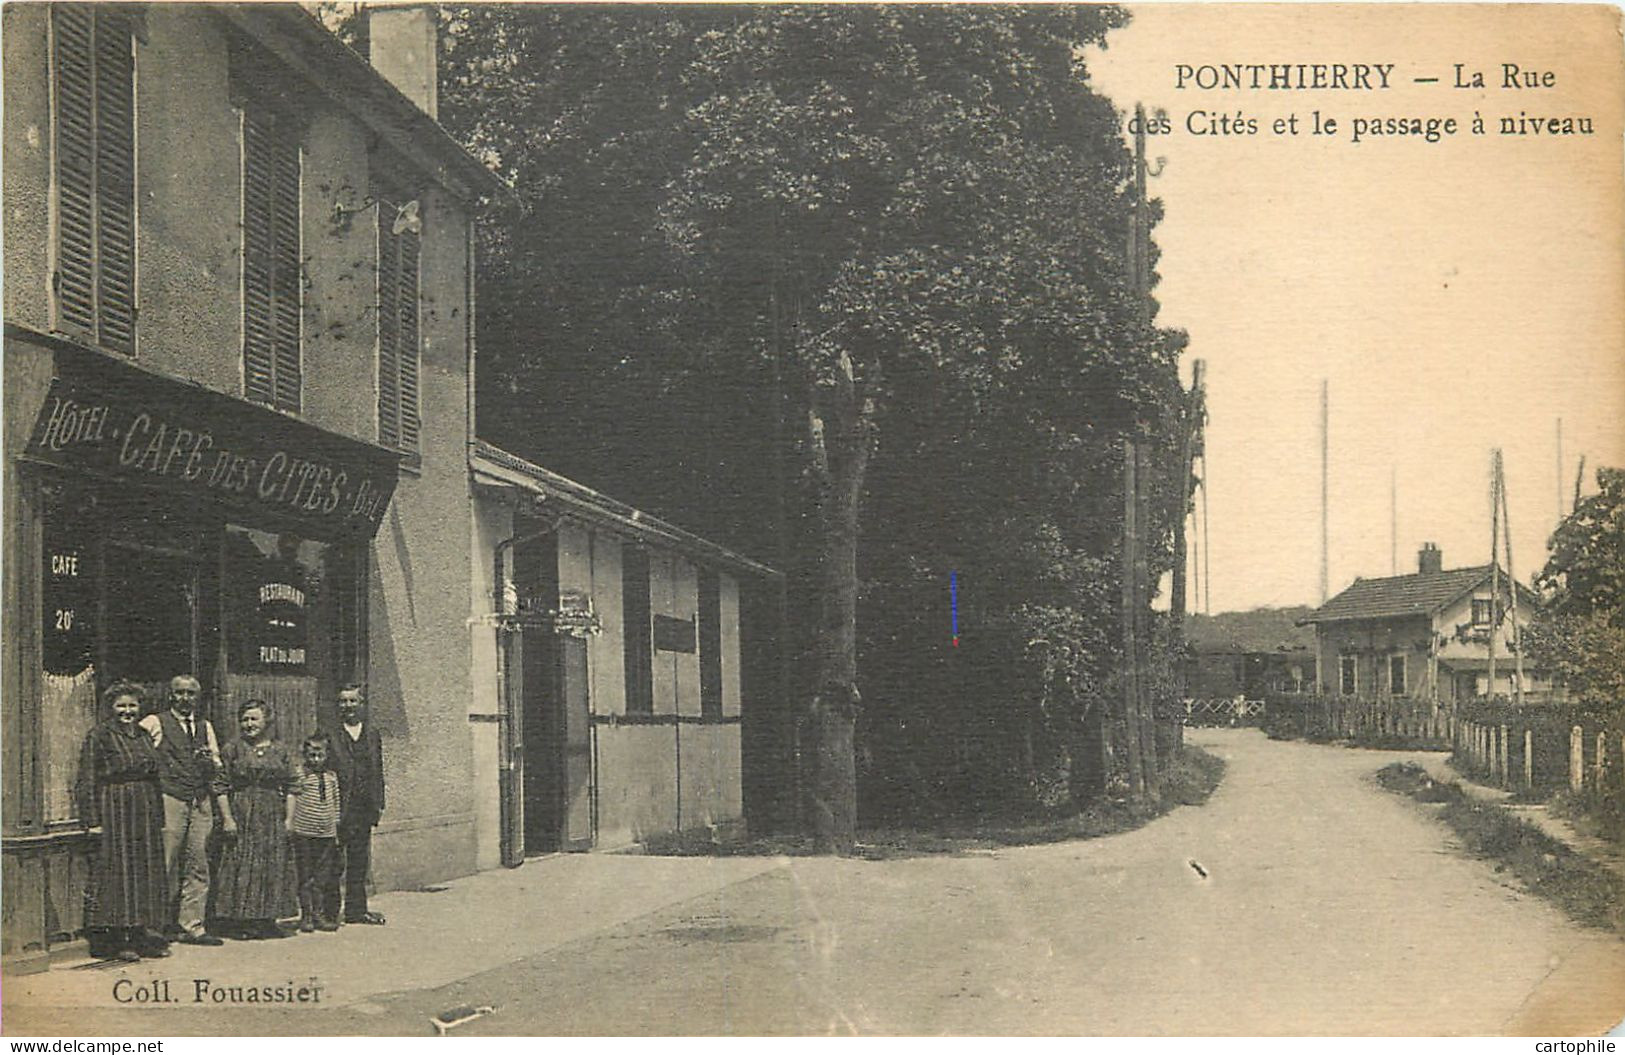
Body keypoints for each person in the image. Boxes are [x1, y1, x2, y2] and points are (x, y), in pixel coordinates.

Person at [76, 681, 170, 961]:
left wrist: (158, 815)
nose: (127, 711)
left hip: (144, 810)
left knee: (144, 870)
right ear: (111, 708)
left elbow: (155, 775)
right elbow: (87, 779)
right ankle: (119, 939)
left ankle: (141, 933)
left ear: (140, 708)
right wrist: (92, 819)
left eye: (132, 706)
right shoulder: (100, 735)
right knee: (119, 871)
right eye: (121, 706)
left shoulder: (142, 734)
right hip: (115, 808)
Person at [139, 674, 232, 946]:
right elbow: (139, 753)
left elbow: (216, 764)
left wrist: (208, 763)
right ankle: (155, 927)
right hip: (170, 798)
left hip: (200, 800)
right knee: (165, 863)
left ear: (198, 697)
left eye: (191, 693)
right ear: (170, 695)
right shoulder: (155, 722)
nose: (185, 698)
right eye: (179, 692)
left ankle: (192, 925)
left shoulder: (205, 726)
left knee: (198, 864)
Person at [212, 700, 297, 939]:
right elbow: (220, 785)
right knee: (241, 863)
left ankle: (267, 919)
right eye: (245, 719)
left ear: (266, 721)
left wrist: (289, 819)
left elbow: (292, 785)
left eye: (254, 719)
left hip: (271, 813)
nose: (249, 724)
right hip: (242, 810)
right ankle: (240, 922)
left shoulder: (281, 750)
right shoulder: (233, 749)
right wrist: (227, 818)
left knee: (271, 863)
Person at [321, 684, 386, 925]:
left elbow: (378, 769)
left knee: (359, 861)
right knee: (335, 861)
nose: (347, 706)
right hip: (339, 806)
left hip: (364, 806)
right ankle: (329, 913)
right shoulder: (330, 733)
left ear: (362, 704)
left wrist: (378, 802)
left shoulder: (371, 733)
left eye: (352, 701)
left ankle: (356, 910)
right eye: (343, 701)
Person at [288, 733, 342, 932]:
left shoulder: (331, 777)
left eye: (320, 756)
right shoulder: (300, 774)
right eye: (312, 756)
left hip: (326, 833)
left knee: (322, 876)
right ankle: (306, 915)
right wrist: (292, 823)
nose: (316, 760)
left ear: (327, 755)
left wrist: (335, 828)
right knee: (305, 876)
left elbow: (336, 803)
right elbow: (293, 796)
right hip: (304, 832)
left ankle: (319, 914)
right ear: (305, 755)